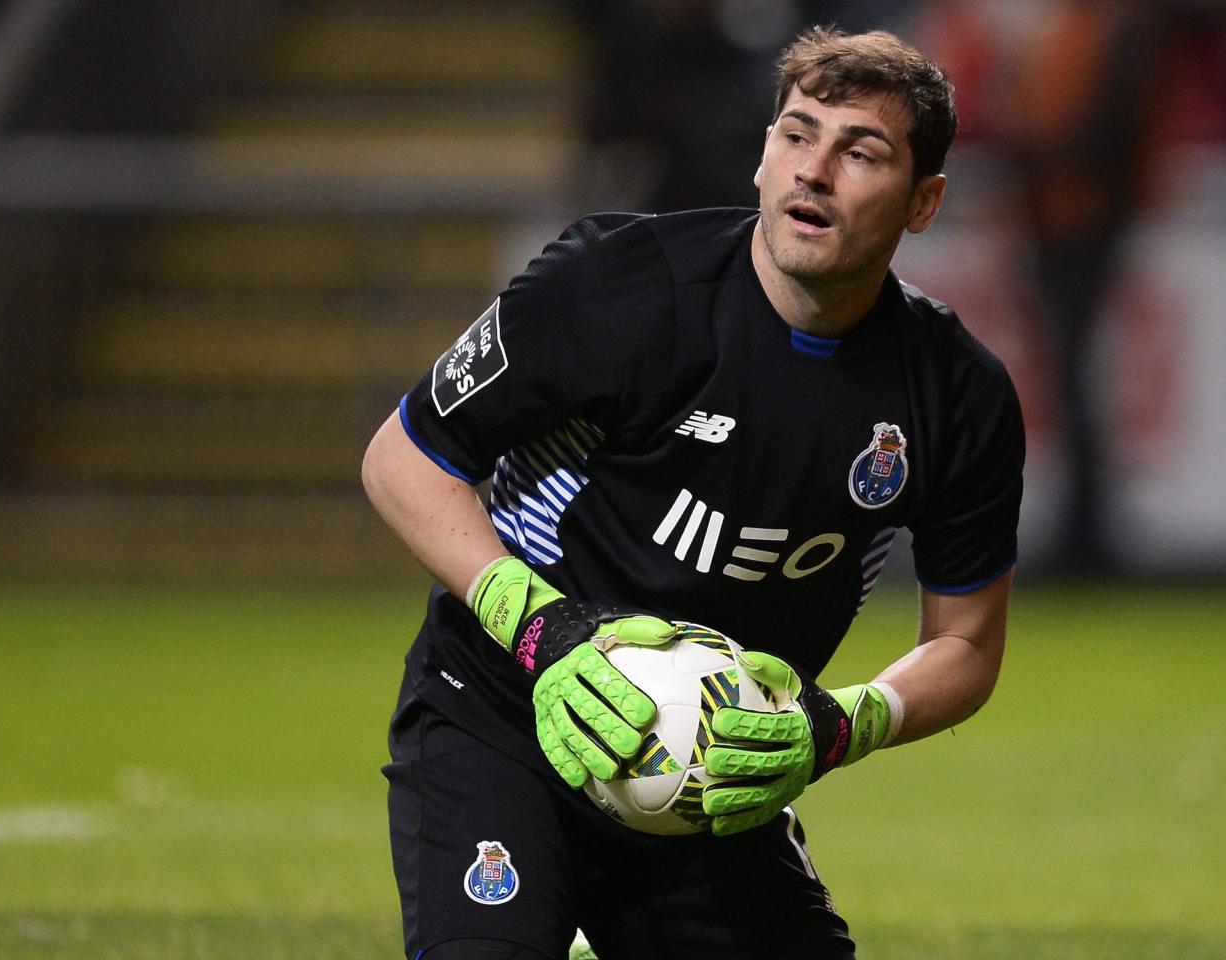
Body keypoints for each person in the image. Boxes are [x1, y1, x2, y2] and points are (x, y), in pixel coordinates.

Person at [361, 26, 1022, 960]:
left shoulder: (955, 395)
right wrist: (541, 631)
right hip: (505, 717)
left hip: (712, 779)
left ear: (924, 203)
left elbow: (965, 642)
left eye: (859, 151)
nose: (815, 172)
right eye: (796, 135)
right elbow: (403, 456)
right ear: (761, 156)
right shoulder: (616, 287)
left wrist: (838, 725)